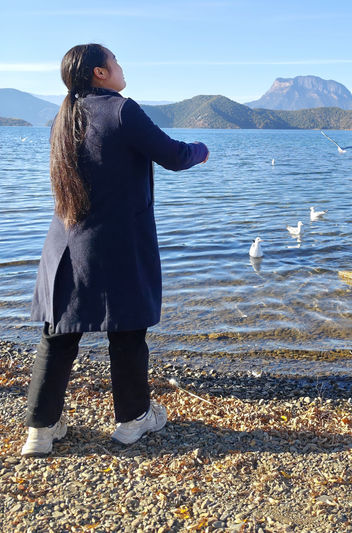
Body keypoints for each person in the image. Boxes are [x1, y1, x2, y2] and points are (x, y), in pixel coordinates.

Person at [21, 44, 209, 456]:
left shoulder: (62, 117)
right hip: (117, 244)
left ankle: (41, 428)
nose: (122, 68)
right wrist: (202, 149)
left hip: (65, 245)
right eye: (117, 61)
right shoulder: (121, 110)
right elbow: (174, 156)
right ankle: (132, 420)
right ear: (99, 73)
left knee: (58, 335)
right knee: (126, 332)